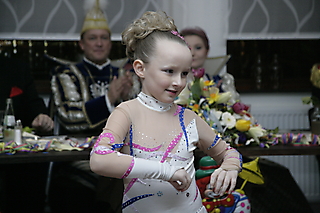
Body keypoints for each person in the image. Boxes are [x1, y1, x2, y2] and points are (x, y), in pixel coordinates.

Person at [90, 11, 242, 213]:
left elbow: (229, 153)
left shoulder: (188, 118)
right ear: (140, 68)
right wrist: (166, 172)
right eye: (169, 71)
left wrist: (231, 168)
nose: (179, 82)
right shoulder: (126, 112)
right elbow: (99, 159)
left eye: (185, 73)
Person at [48, 1, 138, 212]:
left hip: (121, 152)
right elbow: (70, 118)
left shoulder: (126, 74)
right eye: (92, 38)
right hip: (78, 156)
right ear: (81, 43)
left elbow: (141, 119)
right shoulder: (67, 74)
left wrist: (126, 98)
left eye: (104, 38)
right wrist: (109, 98)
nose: (99, 43)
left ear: (110, 42)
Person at [0, 55, 54, 213]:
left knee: (33, 169)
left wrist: (41, 116)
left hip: (15, 155)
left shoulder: (16, 67)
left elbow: (33, 104)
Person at [180, 27, 240, 103]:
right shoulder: (170, 83)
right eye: (187, 48)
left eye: (198, 48)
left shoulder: (221, 83)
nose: (192, 53)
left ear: (207, 51)